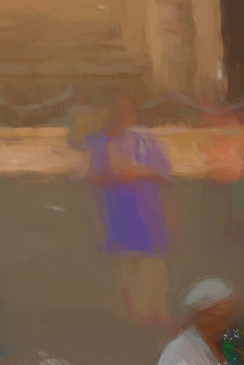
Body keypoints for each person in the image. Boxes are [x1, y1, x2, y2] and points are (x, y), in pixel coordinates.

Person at [83, 93, 173, 330]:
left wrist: (138, 174)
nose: (122, 117)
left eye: (127, 111)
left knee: (150, 266)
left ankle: (155, 316)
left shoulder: (145, 140)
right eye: (117, 111)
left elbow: (164, 173)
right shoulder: (98, 142)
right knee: (124, 266)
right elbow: (92, 176)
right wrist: (116, 176)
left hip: (146, 213)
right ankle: (130, 319)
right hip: (117, 213)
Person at [156, 277, 244, 365]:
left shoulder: (222, 346)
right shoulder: (179, 352)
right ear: (203, 315)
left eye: (228, 315)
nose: (228, 323)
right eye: (222, 317)